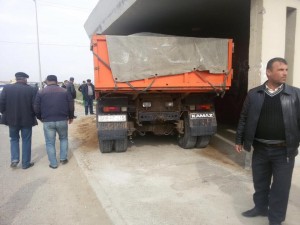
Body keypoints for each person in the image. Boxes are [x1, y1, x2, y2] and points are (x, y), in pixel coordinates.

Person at [235, 57, 300, 225]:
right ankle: (260, 208)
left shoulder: (295, 94)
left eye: (286, 69)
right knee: (260, 182)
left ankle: (276, 219)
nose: (285, 73)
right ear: (269, 72)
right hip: (260, 148)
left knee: (281, 187)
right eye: (280, 70)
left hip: (284, 151)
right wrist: (239, 139)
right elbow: (244, 117)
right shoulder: (254, 93)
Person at [34, 75, 74, 169]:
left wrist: (40, 117)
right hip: (62, 120)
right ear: (56, 81)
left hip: (48, 121)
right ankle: (63, 159)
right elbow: (71, 105)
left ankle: (53, 164)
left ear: (47, 81)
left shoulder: (41, 92)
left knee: (50, 143)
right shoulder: (64, 91)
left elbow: (36, 107)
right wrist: (71, 117)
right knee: (63, 139)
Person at [0, 72, 37, 169]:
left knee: (14, 139)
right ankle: (25, 164)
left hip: (11, 120)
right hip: (27, 120)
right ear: (25, 79)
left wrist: (5, 113)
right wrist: (34, 115)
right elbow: (35, 106)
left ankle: (15, 160)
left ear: (16, 79)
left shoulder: (7, 88)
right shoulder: (31, 89)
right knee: (26, 141)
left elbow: (1, 103)